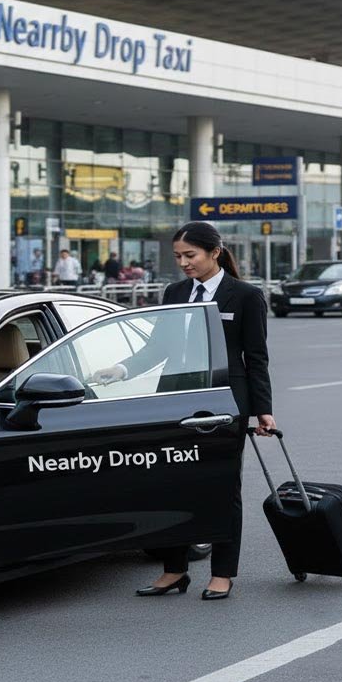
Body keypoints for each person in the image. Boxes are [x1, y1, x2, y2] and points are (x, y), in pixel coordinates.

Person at [92, 220, 276, 601]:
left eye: (190, 255)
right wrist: (121, 369)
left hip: (224, 404)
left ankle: (222, 573)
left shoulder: (244, 296)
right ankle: (174, 571)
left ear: (215, 252)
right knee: (170, 483)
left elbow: (256, 359)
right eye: (178, 256)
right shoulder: (175, 292)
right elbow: (158, 349)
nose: (184, 263)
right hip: (175, 399)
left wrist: (263, 411)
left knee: (224, 487)